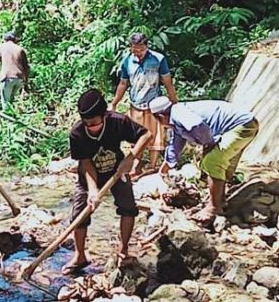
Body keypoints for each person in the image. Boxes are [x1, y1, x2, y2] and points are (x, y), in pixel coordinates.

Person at [62, 89, 152, 275]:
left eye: (94, 123)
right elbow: (86, 163)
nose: (91, 127)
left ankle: (123, 249)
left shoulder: (118, 122)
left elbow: (146, 135)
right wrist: (93, 189)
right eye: (87, 124)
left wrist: (132, 158)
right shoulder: (77, 134)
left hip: (117, 172)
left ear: (103, 116)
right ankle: (80, 255)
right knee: (79, 214)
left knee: (128, 208)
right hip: (88, 176)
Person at [149, 96, 259, 226]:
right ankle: (220, 201)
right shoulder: (176, 120)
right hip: (245, 124)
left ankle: (213, 208)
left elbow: (198, 125)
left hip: (240, 125)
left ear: (160, 117)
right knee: (218, 164)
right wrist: (166, 166)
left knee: (212, 162)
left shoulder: (179, 113)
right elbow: (175, 145)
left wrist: (208, 143)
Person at [111, 33, 178, 175]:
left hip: (154, 105)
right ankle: (137, 164)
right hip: (136, 104)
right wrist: (114, 103)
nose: (138, 53)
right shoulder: (127, 62)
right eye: (135, 50)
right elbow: (123, 83)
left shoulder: (158, 59)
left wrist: (175, 103)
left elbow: (168, 82)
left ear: (146, 47)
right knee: (135, 136)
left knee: (156, 135)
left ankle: (153, 166)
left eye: (141, 50)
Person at [0, 32, 30, 110]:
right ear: (15, 40)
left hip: (8, 77)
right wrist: (26, 83)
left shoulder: (2, 47)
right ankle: (13, 118)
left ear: (5, 39)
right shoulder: (20, 49)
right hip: (20, 79)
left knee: (5, 104)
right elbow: (26, 67)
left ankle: (7, 119)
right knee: (11, 103)